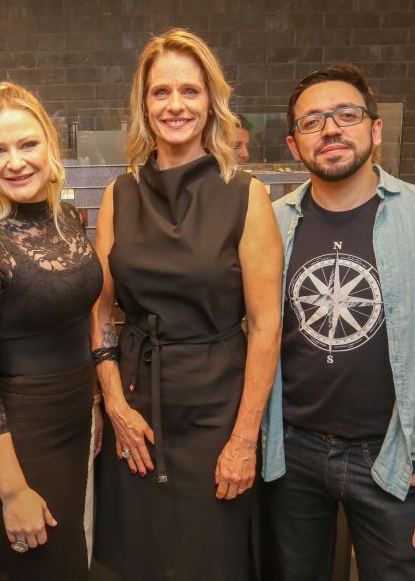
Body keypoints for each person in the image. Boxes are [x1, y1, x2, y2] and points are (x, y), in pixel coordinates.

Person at [262, 63, 415, 581]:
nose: (330, 130)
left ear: (376, 129)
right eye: (312, 122)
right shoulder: (272, 223)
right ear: (294, 145)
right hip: (291, 452)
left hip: (397, 455)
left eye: (346, 115)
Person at [92, 29, 283, 581]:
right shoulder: (118, 194)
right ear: (144, 104)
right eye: (161, 92)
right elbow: (98, 312)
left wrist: (243, 439)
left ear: (211, 101)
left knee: (210, 559)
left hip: (216, 412)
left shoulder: (246, 195)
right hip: (136, 408)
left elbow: (266, 327)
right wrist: (114, 404)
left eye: (190, 91)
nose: (175, 105)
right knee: (140, 560)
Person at [0, 82, 102, 581]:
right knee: (39, 567)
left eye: (28, 144)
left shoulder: (66, 217)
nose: (15, 162)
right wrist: (12, 493)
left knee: (70, 561)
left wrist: (95, 401)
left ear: (50, 145)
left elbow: (79, 318)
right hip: (23, 435)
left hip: (76, 418)